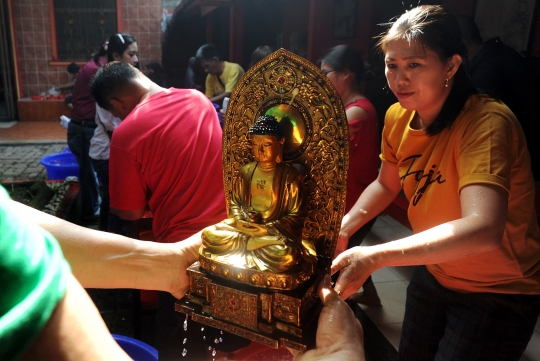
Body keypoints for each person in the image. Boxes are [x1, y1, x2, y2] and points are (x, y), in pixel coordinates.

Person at [332, 5, 540, 361]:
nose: (399, 79)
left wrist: (376, 256)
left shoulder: (486, 123)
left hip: (498, 289)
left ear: (452, 65)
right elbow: (386, 184)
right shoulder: (398, 116)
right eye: (392, 65)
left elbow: (484, 228)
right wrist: (344, 227)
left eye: (414, 65)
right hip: (437, 270)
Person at [3, 190, 365, 361]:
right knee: (220, 234)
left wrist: (172, 261)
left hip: (279, 240)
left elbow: (16, 228)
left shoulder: (288, 175)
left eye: (269, 146)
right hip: (252, 238)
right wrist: (339, 353)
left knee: (284, 249)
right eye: (257, 146)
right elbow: (243, 214)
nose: (263, 153)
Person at [89, 61, 243, 360]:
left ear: (115, 103)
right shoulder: (199, 100)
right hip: (232, 240)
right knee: (224, 339)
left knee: (177, 344)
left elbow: (129, 213)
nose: (119, 116)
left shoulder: (127, 134)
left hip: (180, 254)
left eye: (115, 112)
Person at [200, 115, 316, 275]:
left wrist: (266, 229)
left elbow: (296, 215)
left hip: (273, 234)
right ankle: (255, 243)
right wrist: (240, 222)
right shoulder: (246, 171)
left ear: (280, 142)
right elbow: (235, 203)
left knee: (287, 255)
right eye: (255, 145)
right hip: (246, 229)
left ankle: (254, 244)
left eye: (266, 144)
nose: (260, 151)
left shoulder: (290, 177)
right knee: (208, 235)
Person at [319, 44, 381, 306]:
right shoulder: (348, 106)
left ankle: (333, 311)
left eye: (326, 73)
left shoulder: (357, 110)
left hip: (356, 202)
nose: (322, 80)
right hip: (352, 197)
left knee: (335, 258)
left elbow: (321, 148)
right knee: (349, 250)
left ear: (345, 74)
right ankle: (373, 299)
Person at [456, 15, 540, 182]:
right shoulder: (498, 53)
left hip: (519, 167)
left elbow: (483, 130)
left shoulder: (486, 73)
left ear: (457, 43)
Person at [89, 33, 139, 232]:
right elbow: (111, 123)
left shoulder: (123, 80)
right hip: (105, 153)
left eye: (137, 54)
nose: (136, 59)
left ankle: (104, 238)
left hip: (110, 151)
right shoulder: (107, 83)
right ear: (117, 56)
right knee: (114, 202)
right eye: (131, 54)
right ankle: (110, 240)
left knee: (110, 200)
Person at [67, 42, 107, 223]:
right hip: (84, 128)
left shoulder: (95, 64)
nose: (134, 60)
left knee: (88, 172)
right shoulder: (98, 70)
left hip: (82, 126)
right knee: (88, 173)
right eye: (131, 54)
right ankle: (89, 214)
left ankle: (92, 210)